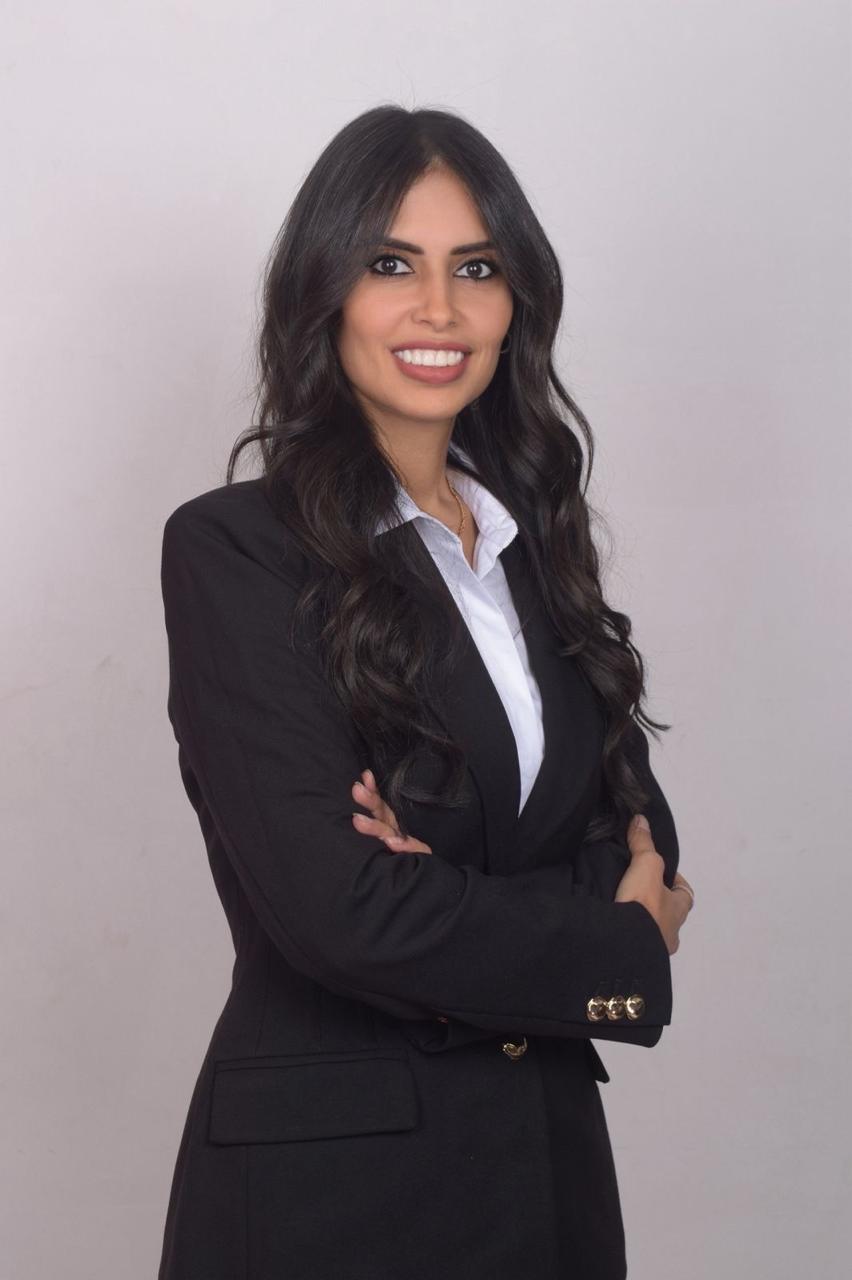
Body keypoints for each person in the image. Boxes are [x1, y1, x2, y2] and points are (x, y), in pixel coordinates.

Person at [156, 104, 695, 1280]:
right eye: (391, 264)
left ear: (517, 302)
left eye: (477, 268)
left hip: (546, 1176)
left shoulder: (533, 549)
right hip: (331, 1194)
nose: (439, 308)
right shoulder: (237, 550)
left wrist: (437, 884)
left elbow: (642, 845)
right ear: (324, 291)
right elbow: (338, 910)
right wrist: (604, 942)